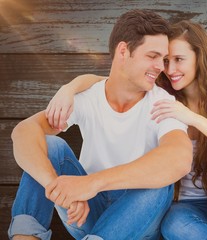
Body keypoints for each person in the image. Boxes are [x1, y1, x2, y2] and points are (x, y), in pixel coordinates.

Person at [46, 20, 207, 239]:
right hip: (183, 208)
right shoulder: (159, 92)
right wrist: (71, 87)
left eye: (179, 59)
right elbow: (112, 80)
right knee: (174, 226)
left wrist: (194, 118)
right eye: (166, 60)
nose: (170, 70)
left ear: (200, 58)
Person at [8, 10, 193, 240]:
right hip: (84, 211)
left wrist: (92, 184)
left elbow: (180, 159)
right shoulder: (88, 96)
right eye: (152, 56)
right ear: (123, 51)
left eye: (163, 59)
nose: (161, 67)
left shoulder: (162, 103)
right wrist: (57, 187)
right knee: (49, 146)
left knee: (160, 180)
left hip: (137, 220)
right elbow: (24, 132)